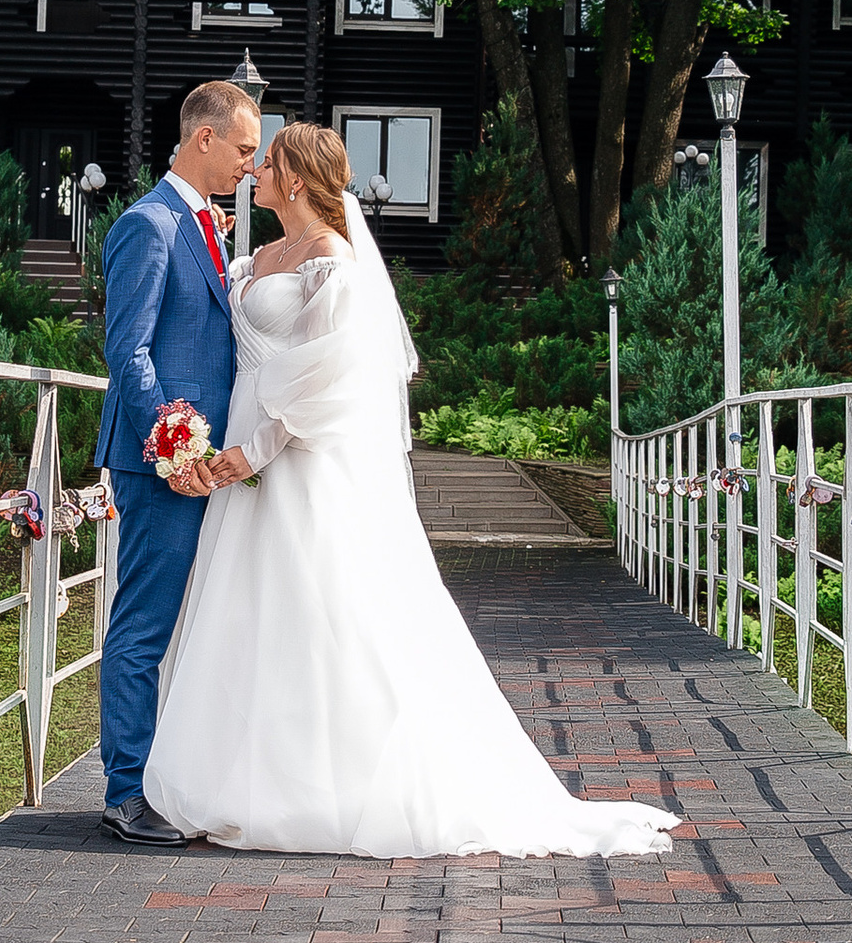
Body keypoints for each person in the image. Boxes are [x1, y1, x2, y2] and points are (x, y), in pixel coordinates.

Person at [141, 122, 678, 859]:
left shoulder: (335, 262)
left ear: (294, 178)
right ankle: (244, 772)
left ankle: (328, 785)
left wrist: (251, 451)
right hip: (242, 446)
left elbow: (333, 377)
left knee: (322, 611)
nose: (255, 169)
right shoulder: (257, 257)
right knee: (245, 610)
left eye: (267, 161)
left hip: (297, 456)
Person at [89, 77, 260, 845]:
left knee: (193, 626)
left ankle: (168, 777)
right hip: (164, 464)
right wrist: (174, 450)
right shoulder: (147, 224)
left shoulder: (202, 224)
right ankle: (125, 793)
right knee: (144, 625)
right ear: (204, 138)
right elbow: (128, 351)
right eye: (244, 149)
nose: (251, 164)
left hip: (208, 463)